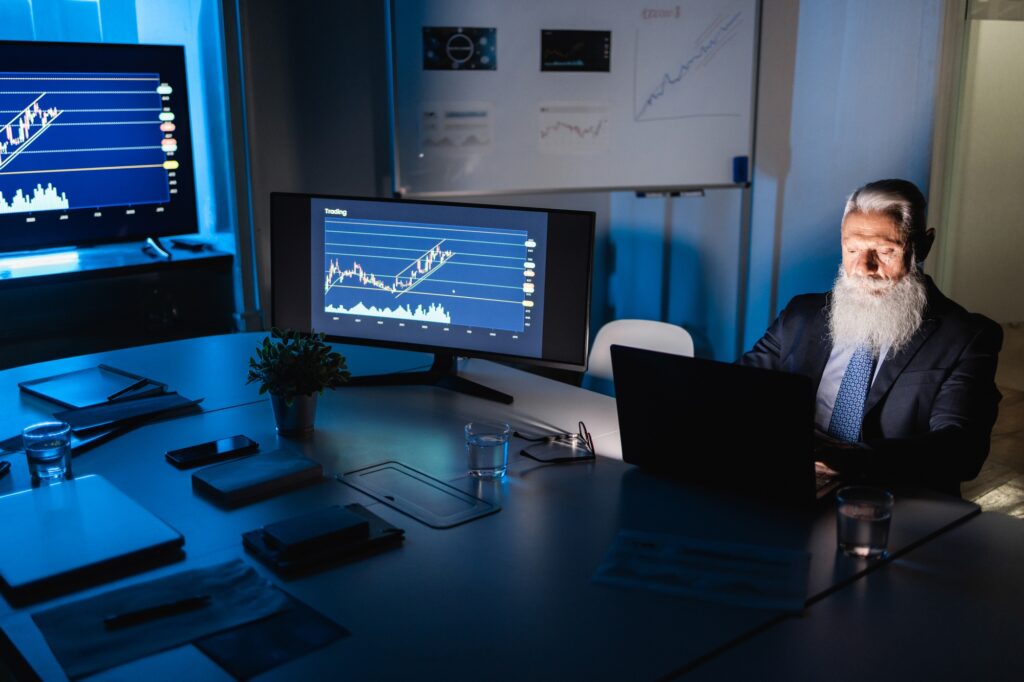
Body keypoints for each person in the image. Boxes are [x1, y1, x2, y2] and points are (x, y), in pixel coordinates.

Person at [741, 179, 1002, 496]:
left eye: (885, 250)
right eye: (852, 250)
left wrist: (854, 459)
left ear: (924, 245)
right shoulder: (802, 315)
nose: (865, 267)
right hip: (795, 482)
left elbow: (961, 449)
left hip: (895, 498)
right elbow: (740, 388)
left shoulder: (966, 336)